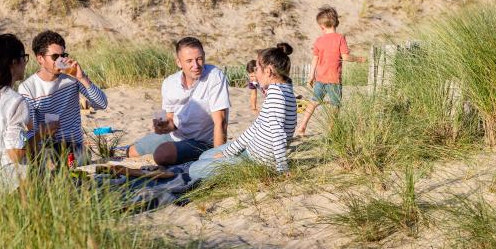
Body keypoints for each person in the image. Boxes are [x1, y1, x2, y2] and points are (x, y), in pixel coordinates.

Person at [189, 43, 297, 180]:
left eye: (257, 69)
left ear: (268, 72)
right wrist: (229, 152)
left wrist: (282, 168)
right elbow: (256, 128)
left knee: (195, 169)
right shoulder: (285, 89)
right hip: (253, 149)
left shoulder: (276, 95)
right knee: (206, 156)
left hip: (258, 161)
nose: (255, 74)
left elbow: (278, 134)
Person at [0, 34, 54, 191]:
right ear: (13, 62)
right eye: (24, 58)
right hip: (10, 184)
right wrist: (41, 133)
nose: (25, 63)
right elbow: (15, 153)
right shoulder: (15, 101)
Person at [128, 37, 230, 166]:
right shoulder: (169, 83)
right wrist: (161, 126)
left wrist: (217, 158)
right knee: (132, 152)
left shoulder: (215, 76)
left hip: (203, 141)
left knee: (163, 154)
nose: (196, 65)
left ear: (204, 56)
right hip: (176, 136)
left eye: (199, 59)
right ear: (179, 62)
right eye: (189, 61)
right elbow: (170, 122)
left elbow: (221, 121)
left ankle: (198, 153)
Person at [18, 31, 107, 165]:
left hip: (74, 146)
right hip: (46, 148)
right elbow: (30, 132)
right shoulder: (28, 88)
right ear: (40, 58)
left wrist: (82, 78)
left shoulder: (72, 77)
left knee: (81, 156)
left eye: (63, 55)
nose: (61, 61)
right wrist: (45, 132)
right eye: (55, 56)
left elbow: (102, 104)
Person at [296, 6, 365, 136]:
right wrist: (358, 59)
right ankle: (332, 129)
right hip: (334, 79)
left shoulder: (319, 40)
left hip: (320, 78)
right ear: (335, 23)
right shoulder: (340, 38)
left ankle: (302, 126)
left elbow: (314, 59)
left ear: (322, 26)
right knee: (335, 105)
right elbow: (345, 57)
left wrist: (311, 76)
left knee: (313, 102)